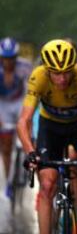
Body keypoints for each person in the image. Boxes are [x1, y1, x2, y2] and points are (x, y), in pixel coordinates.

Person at [17, 39, 77, 234]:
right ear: (47, 69)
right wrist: (30, 151)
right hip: (51, 127)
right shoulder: (39, 76)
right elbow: (24, 121)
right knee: (47, 184)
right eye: (56, 73)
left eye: (67, 72)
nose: (62, 79)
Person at [0, 37, 33, 197]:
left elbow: (31, 90)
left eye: (11, 58)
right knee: (6, 146)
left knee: (26, 130)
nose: (8, 62)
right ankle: (9, 180)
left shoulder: (24, 67)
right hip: (3, 104)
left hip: (20, 100)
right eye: (5, 59)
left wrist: (28, 115)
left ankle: (27, 157)